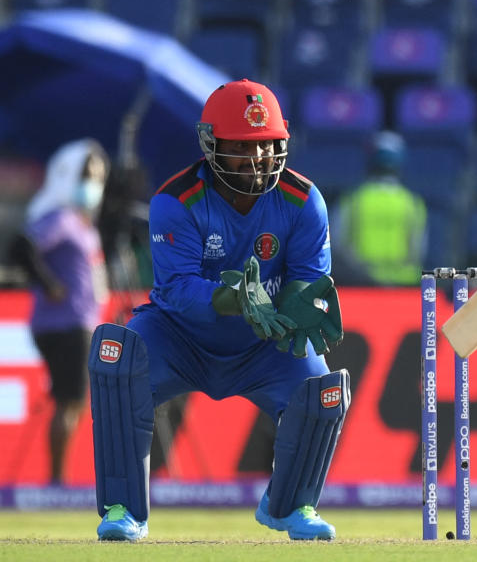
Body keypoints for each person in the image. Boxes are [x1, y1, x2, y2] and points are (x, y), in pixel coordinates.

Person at [88, 79, 349, 542]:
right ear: (211, 147)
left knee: (322, 389)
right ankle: (124, 510)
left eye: (268, 146)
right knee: (118, 358)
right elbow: (176, 290)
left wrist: (303, 302)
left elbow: (308, 276)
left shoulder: (304, 200)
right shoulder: (175, 200)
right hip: (180, 337)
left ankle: (290, 507)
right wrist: (231, 299)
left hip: (265, 340)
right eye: (243, 148)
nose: (260, 160)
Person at [12, 139, 109, 485]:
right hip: (64, 323)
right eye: (86, 175)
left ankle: (58, 478)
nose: (92, 184)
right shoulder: (62, 219)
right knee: (70, 400)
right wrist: (50, 284)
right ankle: (57, 481)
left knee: (73, 401)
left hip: (79, 322)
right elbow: (23, 245)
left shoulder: (83, 224)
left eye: (97, 177)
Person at [332, 130, 427, 286]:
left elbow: (337, 246)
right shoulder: (413, 203)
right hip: (404, 287)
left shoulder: (352, 201)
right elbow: (417, 252)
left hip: (361, 284)